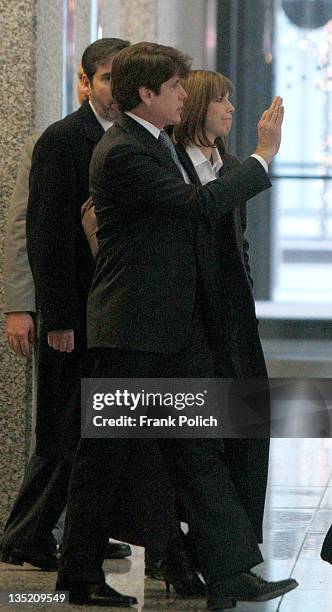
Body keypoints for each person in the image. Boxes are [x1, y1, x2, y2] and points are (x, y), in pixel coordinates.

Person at [56, 42, 297, 609]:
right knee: (104, 455)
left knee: (195, 448)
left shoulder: (157, 144)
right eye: (176, 87)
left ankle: (231, 574)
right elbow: (195, 209)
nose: (184, 96)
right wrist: (262, 156)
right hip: (134, 331)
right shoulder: (124, 152)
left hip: (168, 330)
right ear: (148, 94)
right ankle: (77, 575)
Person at [1, 38, 132, 573]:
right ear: (85, 82)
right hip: (71, 310)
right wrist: (43, 313)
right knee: (61, 428)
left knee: (92, 426)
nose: (113, 90)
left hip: (107, 310)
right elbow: (44, 234)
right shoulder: (62, 139)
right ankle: (27, 534)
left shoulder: (132, 138)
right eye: (105, 79)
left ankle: (83, 533)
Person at [173, 69, 270, 547]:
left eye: (231, 98)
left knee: (247, 429)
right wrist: (264, 156)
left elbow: (239, 241)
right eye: (220, 100)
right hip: (190, 318)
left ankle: (240, 548)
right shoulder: (170, 162)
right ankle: (190, 551)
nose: (230, 108)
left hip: (232, 314)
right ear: (193, 106)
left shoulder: (229, 165)